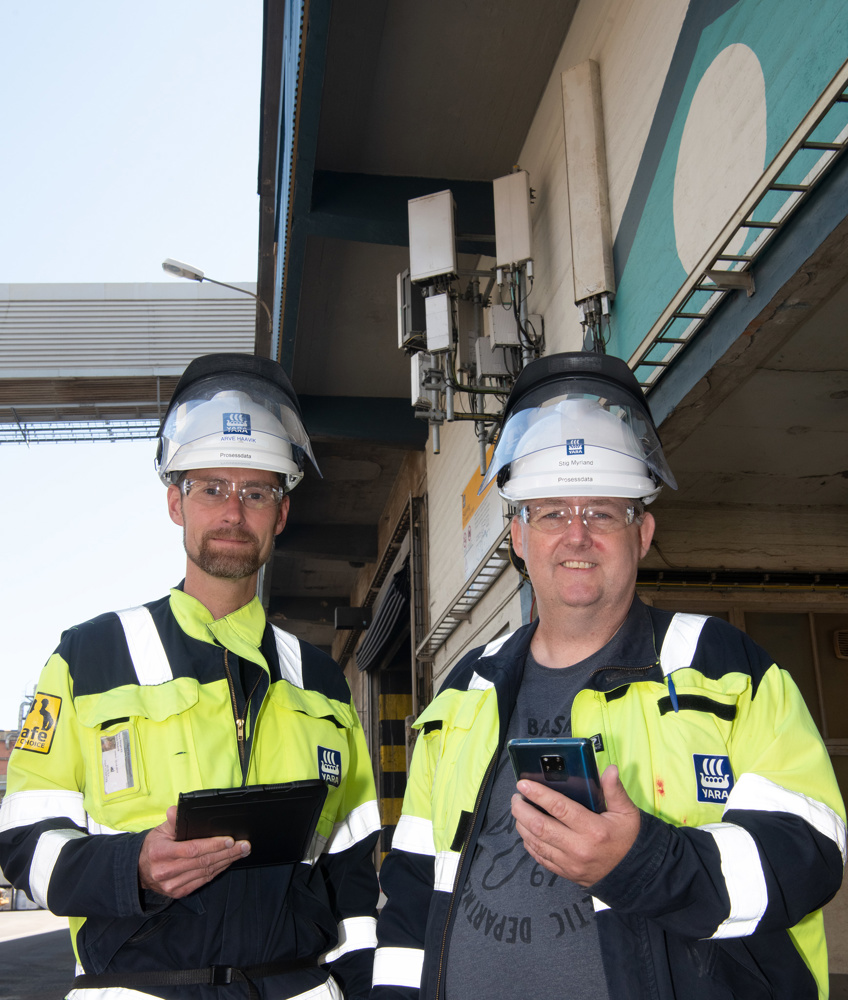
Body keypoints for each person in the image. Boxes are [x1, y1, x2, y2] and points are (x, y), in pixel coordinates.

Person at [371, 351, 846, 999]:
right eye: (552, 513)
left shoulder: (726, 670)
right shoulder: (462, 693)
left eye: (602, 511)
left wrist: (641, 865)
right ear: (518, 534)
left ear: (642, 532)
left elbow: (810, 853)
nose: (577, 535)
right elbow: (410, 893)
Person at [0, 353, 381, 1000]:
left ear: (281, 513)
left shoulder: (320, 681)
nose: (233, 512)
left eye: (256, 491)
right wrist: (134, 868)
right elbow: (23, 842)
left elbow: (353, 872)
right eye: (212, 488)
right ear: (176, 502)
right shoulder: (87, 659)